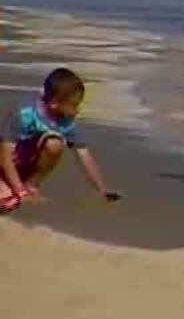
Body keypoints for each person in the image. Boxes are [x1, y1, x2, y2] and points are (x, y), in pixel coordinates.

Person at [0, 68, 120, 211]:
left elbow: (84, 155)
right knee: (8, 203)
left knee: (55, 143)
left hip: (21, 164)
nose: (77, 110)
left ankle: (31, 185)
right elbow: (4, 158)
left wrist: (102, 189)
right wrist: (19, 191)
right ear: (55, 103)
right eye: (74, 105)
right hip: (3, 163)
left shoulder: (65, 121)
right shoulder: (23, 114)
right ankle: (16, 189)